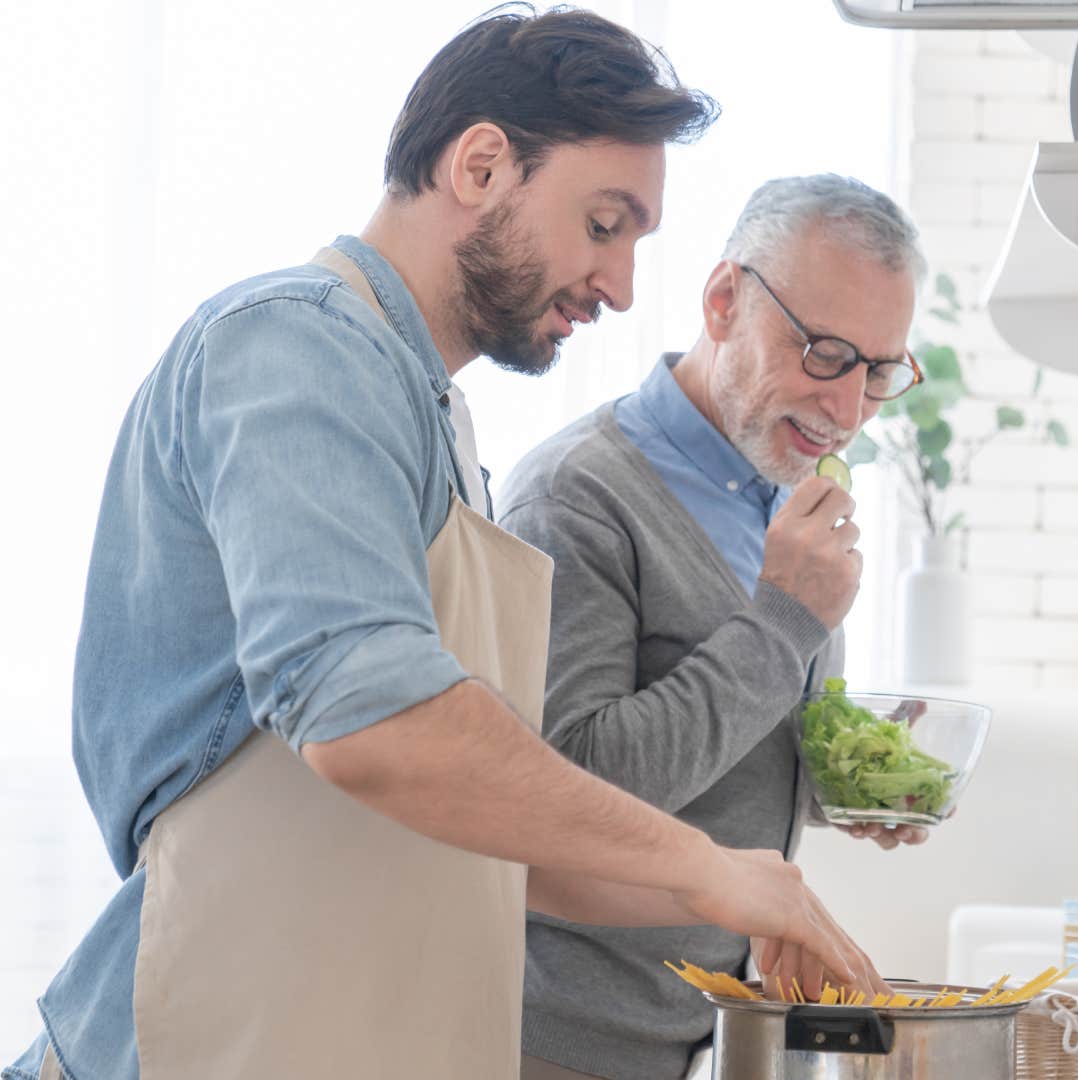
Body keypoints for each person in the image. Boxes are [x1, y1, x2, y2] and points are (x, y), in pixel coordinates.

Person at [4, 13, 881, 1080]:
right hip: (208, 1039)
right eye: (604, 224)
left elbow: (510, 843)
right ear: (480, 164)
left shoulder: (432, 418)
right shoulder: (294, 346)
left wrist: (746, 894)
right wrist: (703, 865)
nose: (620, 285)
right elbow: (373, 721)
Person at [499, 175, 927, 1080]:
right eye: (821, 352)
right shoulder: (577, 496)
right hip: (556, 1042)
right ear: (725, 301)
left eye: (879, 372)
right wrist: (784, 621)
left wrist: (852, 782)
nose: (846, 412)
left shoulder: (784, 495)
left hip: (702, 1037)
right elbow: (570, 791)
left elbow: (729, 755)